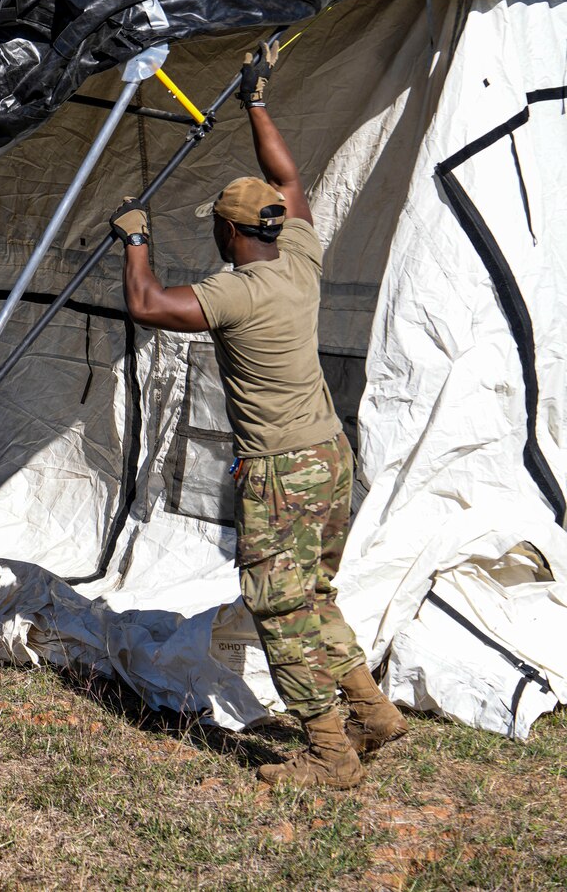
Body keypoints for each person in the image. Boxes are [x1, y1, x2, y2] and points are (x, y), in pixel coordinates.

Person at [110, 40, 406, 789]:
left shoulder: (235, 293)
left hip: (279, 470)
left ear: (231, 233)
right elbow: (289, 178)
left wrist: (136, 237)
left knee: (278, 607)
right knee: (312, 594)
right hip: (328, 454)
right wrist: (256, 99)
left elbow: (147, 303)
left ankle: (330, 754)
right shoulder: (299, 255)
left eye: (218, 225)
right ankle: (372, 711)